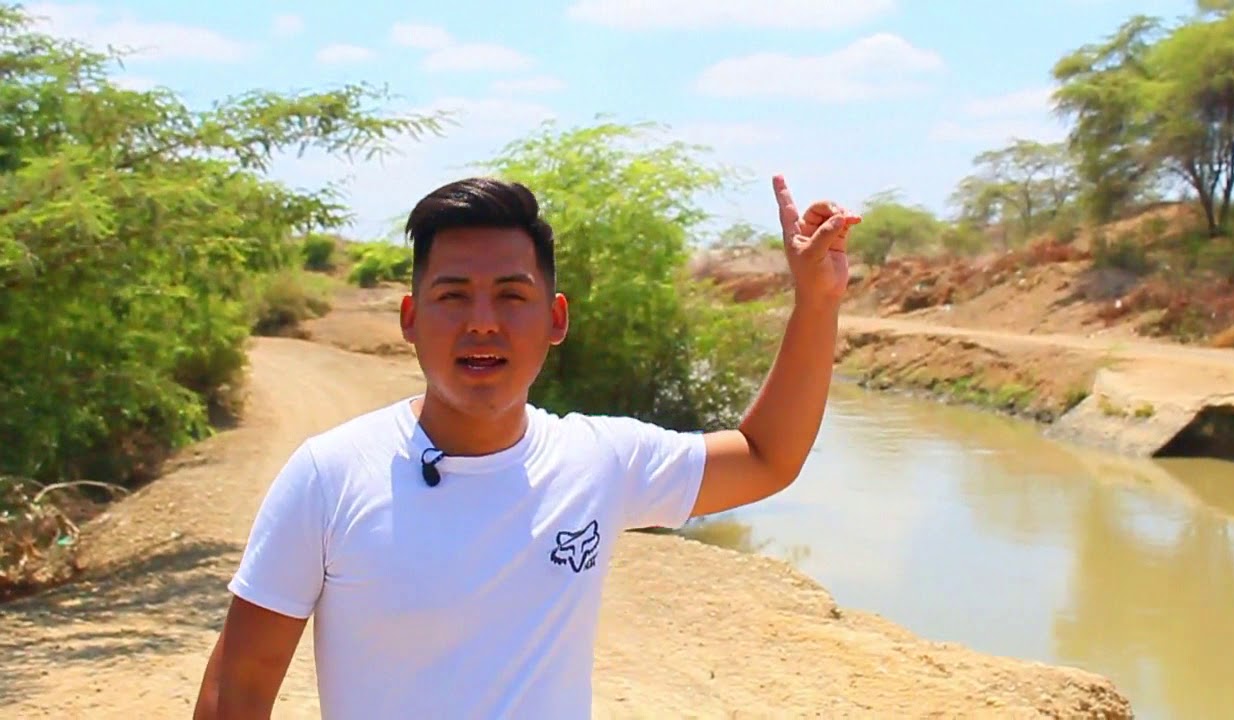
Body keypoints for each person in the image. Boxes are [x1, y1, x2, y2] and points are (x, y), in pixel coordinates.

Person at [192, 174, 859, 719]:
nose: (483, 320)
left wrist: (817, 304)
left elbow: (766, 456)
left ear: (556, 319)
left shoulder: (598, 461)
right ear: (410, 320)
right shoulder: (329, 475)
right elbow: (236, 690)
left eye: (512, 295)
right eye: (453, 296)